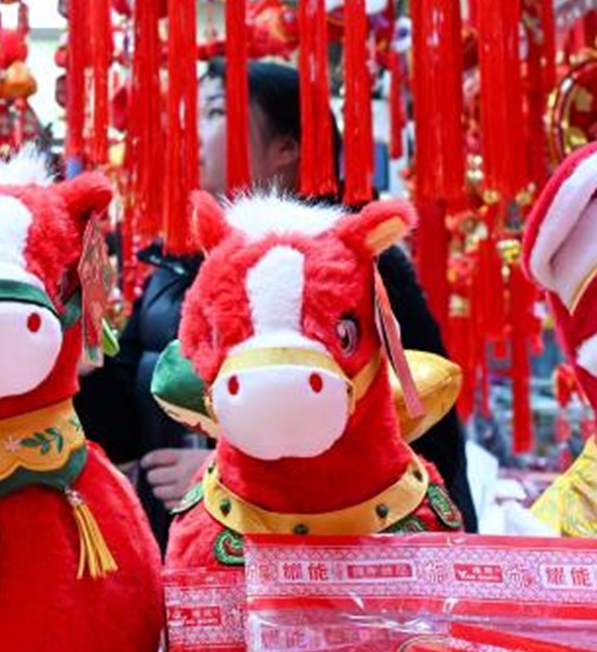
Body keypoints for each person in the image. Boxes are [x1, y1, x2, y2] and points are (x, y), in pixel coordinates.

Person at [77, 59, 478, 545]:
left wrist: (225, 474)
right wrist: (84, 353)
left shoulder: (361, 269)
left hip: (323, 558)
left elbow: (423, 438)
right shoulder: (173, 263)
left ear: (287, 148)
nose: (195, 131)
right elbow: (123, 425)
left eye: (217, 111)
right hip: (190, 555)